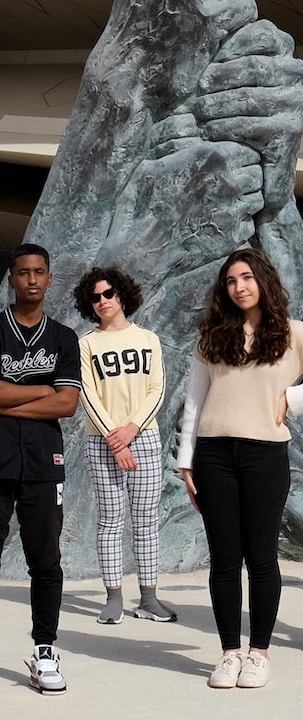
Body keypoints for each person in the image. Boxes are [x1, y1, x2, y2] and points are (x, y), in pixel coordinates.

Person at [177, 247, 303, 689]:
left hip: (265, 457)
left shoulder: (294, 334)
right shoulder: (213, 335)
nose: (238, 288)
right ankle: (228, 654)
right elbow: (194, 402)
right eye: (230, 281)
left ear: (262, 280)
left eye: (245, 278)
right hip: (214, 456)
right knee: (224, 560)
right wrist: (186, 461)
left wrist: (294, 401)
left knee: (261, 558)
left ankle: (258, 653)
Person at [74, 267, 176, 626]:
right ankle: (113, 597)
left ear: (122, 296)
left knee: (146, 521)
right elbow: (86, 394)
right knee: (110, 522)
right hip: (102, 441)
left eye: (109, 294)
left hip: (143, 437)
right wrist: (115, 441)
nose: (103, 301)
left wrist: (130, 431)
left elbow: (157, 389)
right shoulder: (86, 344)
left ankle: (149, 598)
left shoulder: (148, 339)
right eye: (96, 297)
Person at [0, 244, 81, 695]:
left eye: (39, 272)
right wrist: (39, 393)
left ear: (50, 279)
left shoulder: (64, 338)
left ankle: (45, 650)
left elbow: (67, 403)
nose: (31, 279)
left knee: (45, 561)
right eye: (22, 272)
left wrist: (10, 396)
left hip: (44, 464)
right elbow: (52, 397)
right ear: (11, 279)